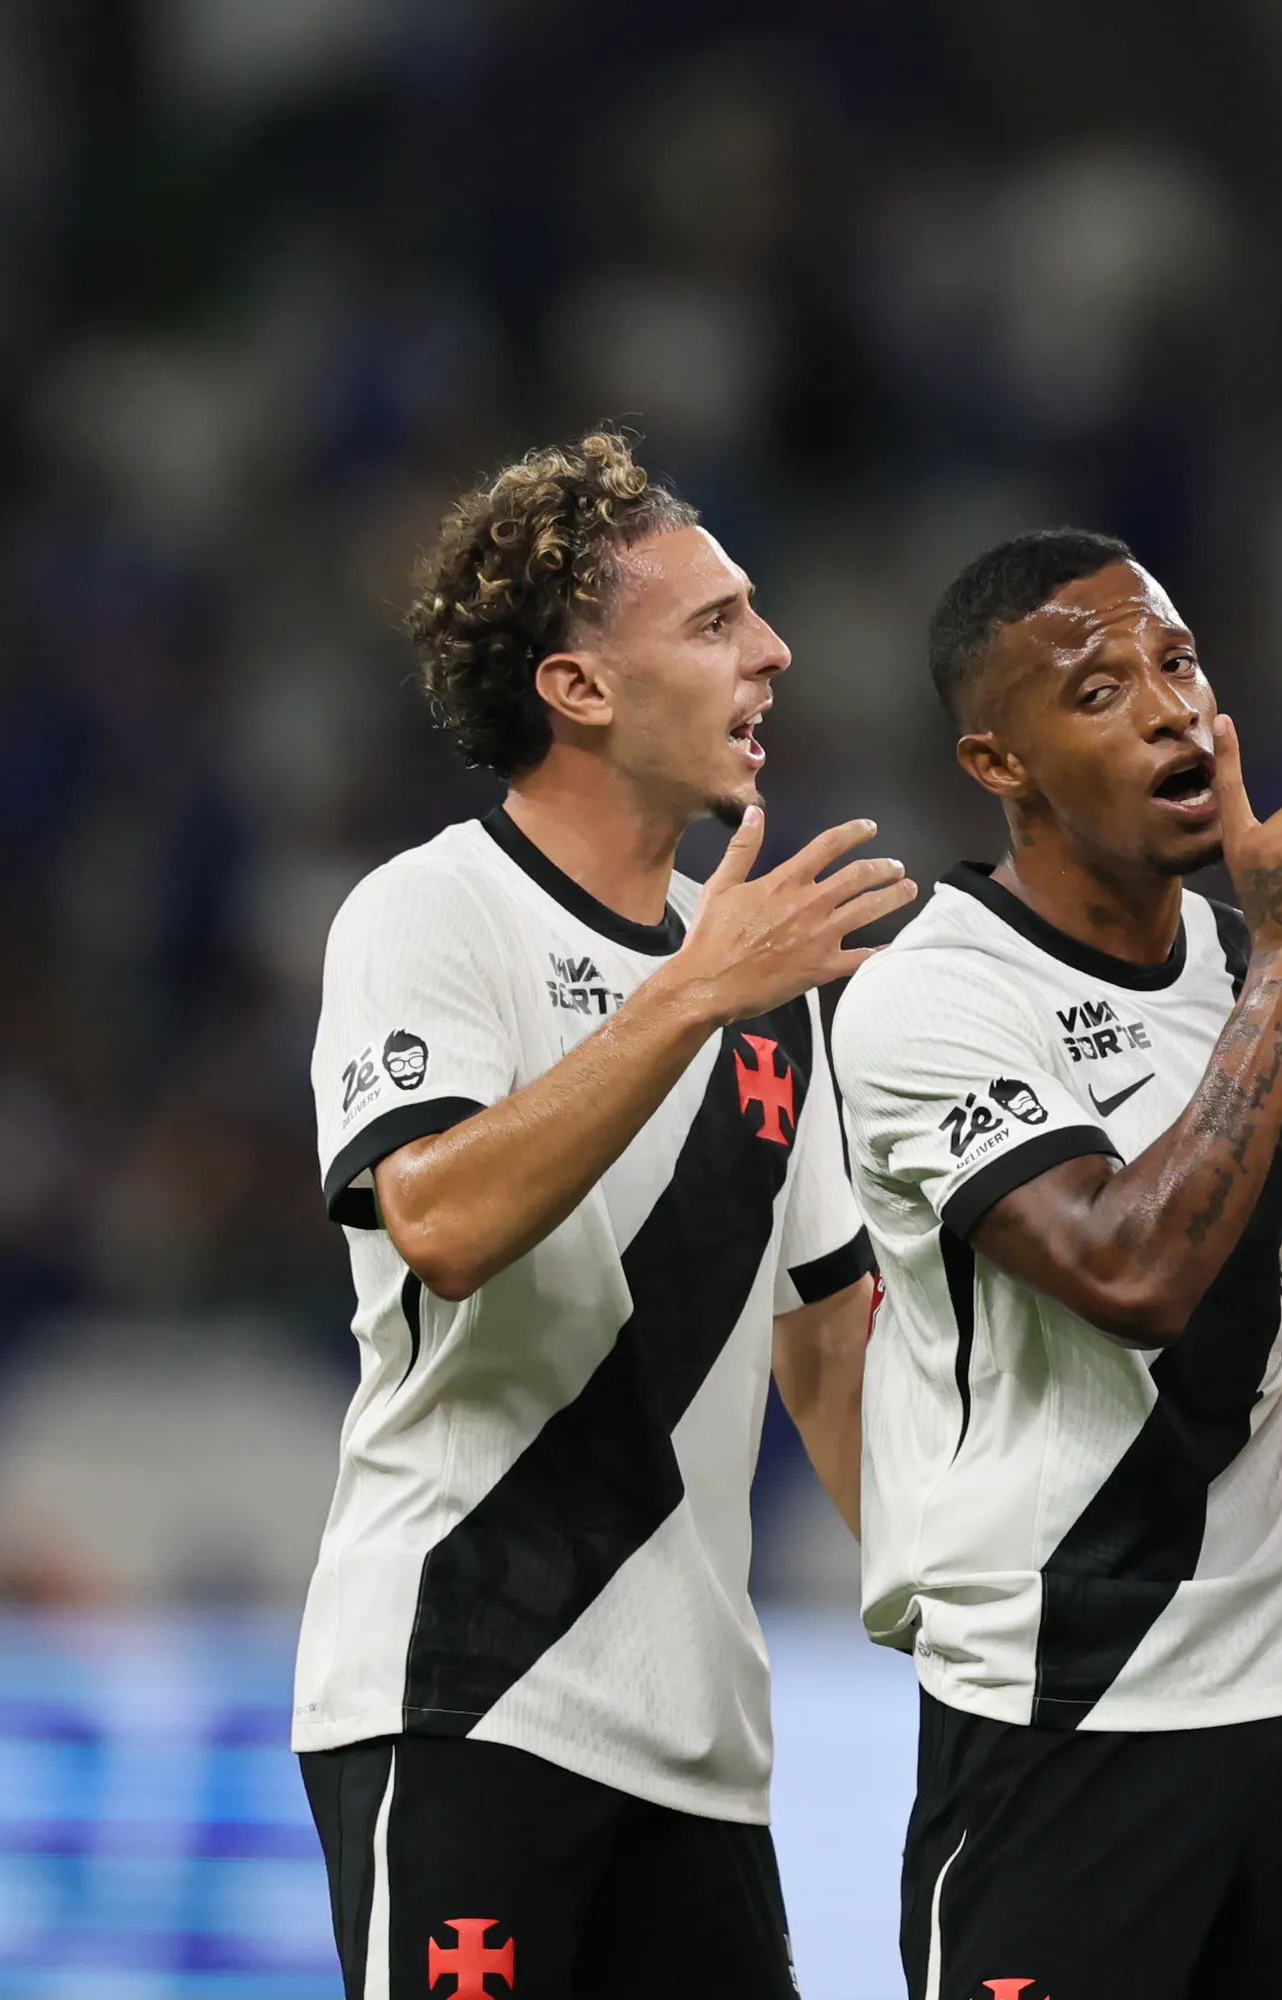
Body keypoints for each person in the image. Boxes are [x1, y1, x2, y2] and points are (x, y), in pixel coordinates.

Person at [831, 529, 1282, 2000]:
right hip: (1058, 1722)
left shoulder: (1255, 973)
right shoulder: (933, 997)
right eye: (1096, 690)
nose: (1168, 709)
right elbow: (1126, 1270)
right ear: (999, 763)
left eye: (1180, 663)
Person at [298, 430, 916, 1997]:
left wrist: (969, 1616)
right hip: (465, 1697)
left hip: (703, 1749)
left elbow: (828, 1344)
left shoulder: (760, 976)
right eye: (713, 623)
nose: (771, 649)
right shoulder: (432, 911)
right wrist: (691, 996)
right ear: (577, 688)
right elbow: (433, 1215)